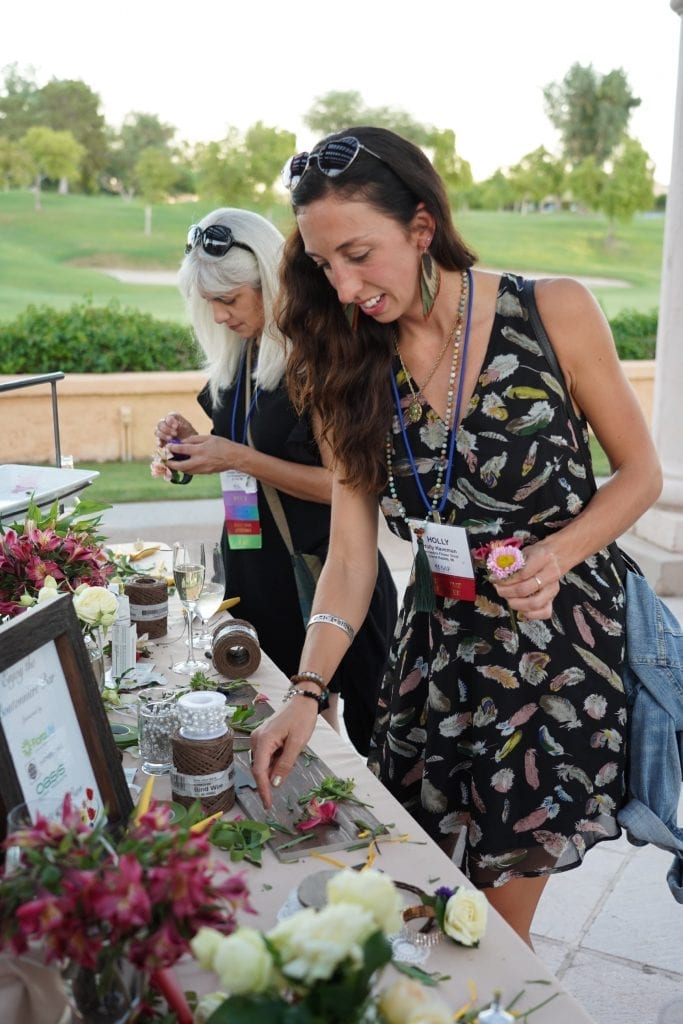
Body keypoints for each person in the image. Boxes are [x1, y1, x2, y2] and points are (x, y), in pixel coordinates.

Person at [250, 128, 662, 945]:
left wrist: (559, 552)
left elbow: (640, 473)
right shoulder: (345, 365)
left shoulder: (552, 310)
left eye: (360, 254)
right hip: (435, 658)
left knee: (483, 930)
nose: (343, 287)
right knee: (423, 896)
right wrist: (306, 692)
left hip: (560, 655)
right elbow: (350, 555)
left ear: (421, 227)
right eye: (326, 265)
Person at [154, 207, 397, 755]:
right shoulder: (241, 355)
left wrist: (234, 454)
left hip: (322, 569)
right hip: (252, 564)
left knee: (352, 734)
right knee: (272, 721)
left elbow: (346, 486)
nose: (217, 316)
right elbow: (244, 449)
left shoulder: (317, 360)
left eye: (229, 299)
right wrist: (192, 445)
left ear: (269, 280)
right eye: (208, 303)